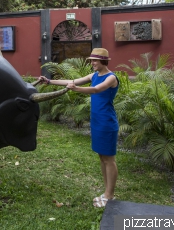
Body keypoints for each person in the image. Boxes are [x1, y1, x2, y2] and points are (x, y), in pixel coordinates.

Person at [38, 48, 119, 208]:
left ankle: (110, 195)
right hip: (96, 121)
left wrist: (76, 89)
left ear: (104, 60)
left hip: (107, 122)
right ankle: (106, 192)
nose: (92, 63)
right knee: (102, 158)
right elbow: (71, 81)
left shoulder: (111, 78)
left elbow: (96, 89)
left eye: (95, 60)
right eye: (91, 60)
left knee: (109, 159)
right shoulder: (94, 75)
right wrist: (49, 81)